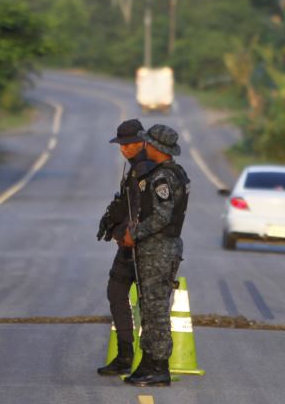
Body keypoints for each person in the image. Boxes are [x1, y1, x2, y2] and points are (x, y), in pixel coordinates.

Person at [120, 124, 189, 387]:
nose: (144, 147)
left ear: (157, 148)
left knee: (156, 310)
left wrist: (133, 234)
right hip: (157, 249)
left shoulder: (163, 178)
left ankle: (159, 367)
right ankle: (148, 363)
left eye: (147, 143)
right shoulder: (172, 173)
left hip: (159, 249)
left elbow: (162, 216)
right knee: (149, 308)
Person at [96, 119, 155, 376]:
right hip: (127, 246)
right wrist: (112, 225)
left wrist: (129, 232)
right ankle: (124, 354)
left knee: (150, 305)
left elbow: (148, 212)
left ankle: (150, 362)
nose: (124, 149)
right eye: (121, 144)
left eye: (129, 144)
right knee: (116, 291)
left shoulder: (152, 169)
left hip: (146, 248)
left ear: (142, 141)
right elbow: (126, 204)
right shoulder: (133, 168)